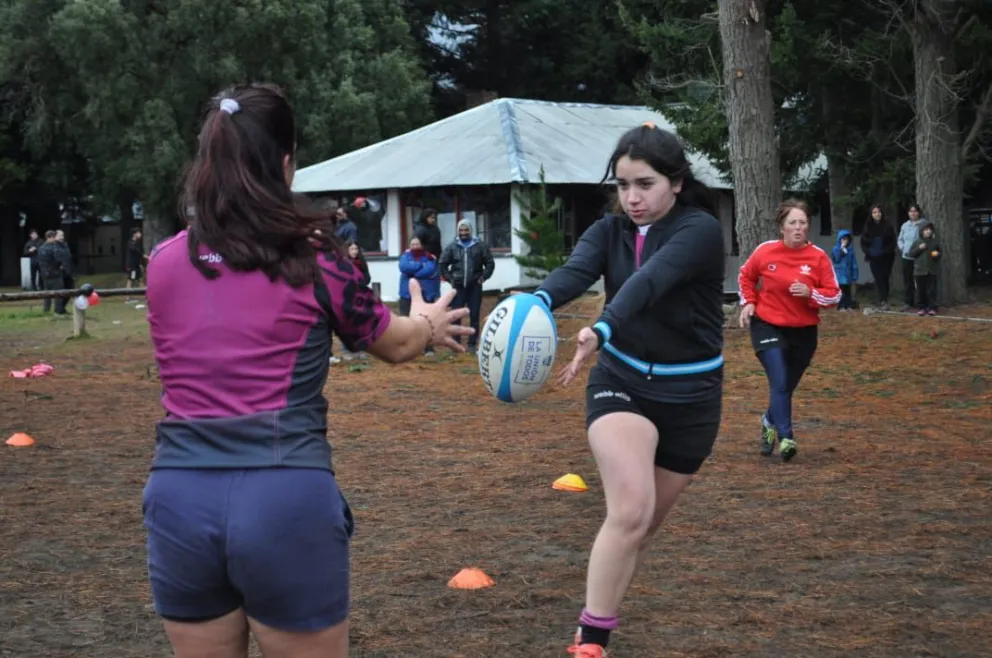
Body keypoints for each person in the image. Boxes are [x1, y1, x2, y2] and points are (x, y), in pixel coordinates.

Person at [142, 83, 472, 658]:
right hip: (282, 496)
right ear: (286, 163)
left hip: (178, 498)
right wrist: (428, 323)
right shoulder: (315, 257)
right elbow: (393, 344)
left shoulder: (165, 262)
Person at [532, 122, 725, 657]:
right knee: (632, 509)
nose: (632, 198)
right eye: (622, 185)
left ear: (677, 183)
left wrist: (602, 326)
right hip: (621, 384)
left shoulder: (700, 230)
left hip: (693, 400)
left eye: (645, 184)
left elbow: (651, 280)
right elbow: (573, 273)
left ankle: (594, 619)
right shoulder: (608, 230)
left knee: (638, 530)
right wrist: (535, 305)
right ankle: (591, 641)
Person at [738, 199, 841, 462]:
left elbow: (834, 296)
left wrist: (811, 293)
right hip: (767, 324)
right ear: (782, 227)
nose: (798, 228)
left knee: (785, 386)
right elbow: (745, 276)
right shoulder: (765, 251)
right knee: (780, 379)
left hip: (803, 331)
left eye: (803, 223)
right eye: (792, 223)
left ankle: (768, 421)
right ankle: (786, 437)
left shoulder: (818, 257)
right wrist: (749, 302)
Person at [439, 220, 495, 353]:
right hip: (458, 287)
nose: (463, 233)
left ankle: (472, 343)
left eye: (466, 230)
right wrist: (450, 279)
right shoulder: (452, 246)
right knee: (456, 315)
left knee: (474, 315)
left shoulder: (480, 246)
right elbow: (442, 263)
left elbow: (490, 263)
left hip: (474, 286)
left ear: (471, 230)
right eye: (461, 230)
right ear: (458, 231)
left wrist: (483, 277)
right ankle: (455, 343)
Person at [859, 205, 896, 309]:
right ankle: (881, 300)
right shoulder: (867, 226)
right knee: (878, 278)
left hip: (886, 257)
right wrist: (869, 252)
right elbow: (863, 242)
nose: (877, 214)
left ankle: (885, 299)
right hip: (873, 257)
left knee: (885, 277)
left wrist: (886, 251)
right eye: (874, 212)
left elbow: (893, 241)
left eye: (878, 212)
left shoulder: (888, 225)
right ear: (871, 215)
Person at [909, 221, 941, 316]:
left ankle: (932, 307)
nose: (928, 232)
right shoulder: (917, 242)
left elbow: (939, 254)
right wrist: (919, 248)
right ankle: (921, 307)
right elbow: (911, 254)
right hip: (919, 271)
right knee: (920, 290)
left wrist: (936, 255)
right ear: (921, 231)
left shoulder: (935, 242)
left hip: (931, 270)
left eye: (930, 230)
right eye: (926, 230)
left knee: (931, 290)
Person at [897, 204, 925, 310]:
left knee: (919, 280)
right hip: (906, 257)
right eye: (911, 211)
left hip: (919, 257)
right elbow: (900, 239)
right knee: (908, 280)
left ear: (919, 212)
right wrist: (903, 248)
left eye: (915, 211)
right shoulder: (905, 225)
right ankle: (908, 302)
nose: (913, 213)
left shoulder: (923, 224)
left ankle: (921, 302)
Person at [831, 229, 859, 311]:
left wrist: (855, 274)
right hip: (840, 274)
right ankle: (841, 306)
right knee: (841, 291)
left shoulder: (850, 250)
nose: (845, 241)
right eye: (843, 239)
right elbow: (836, 259)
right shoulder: (836, 249)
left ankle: (848, 305)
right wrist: (841, 250)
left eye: (846, 239)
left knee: (847, 291)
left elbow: (854, 263)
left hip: (848, 274)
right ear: (839, 239)